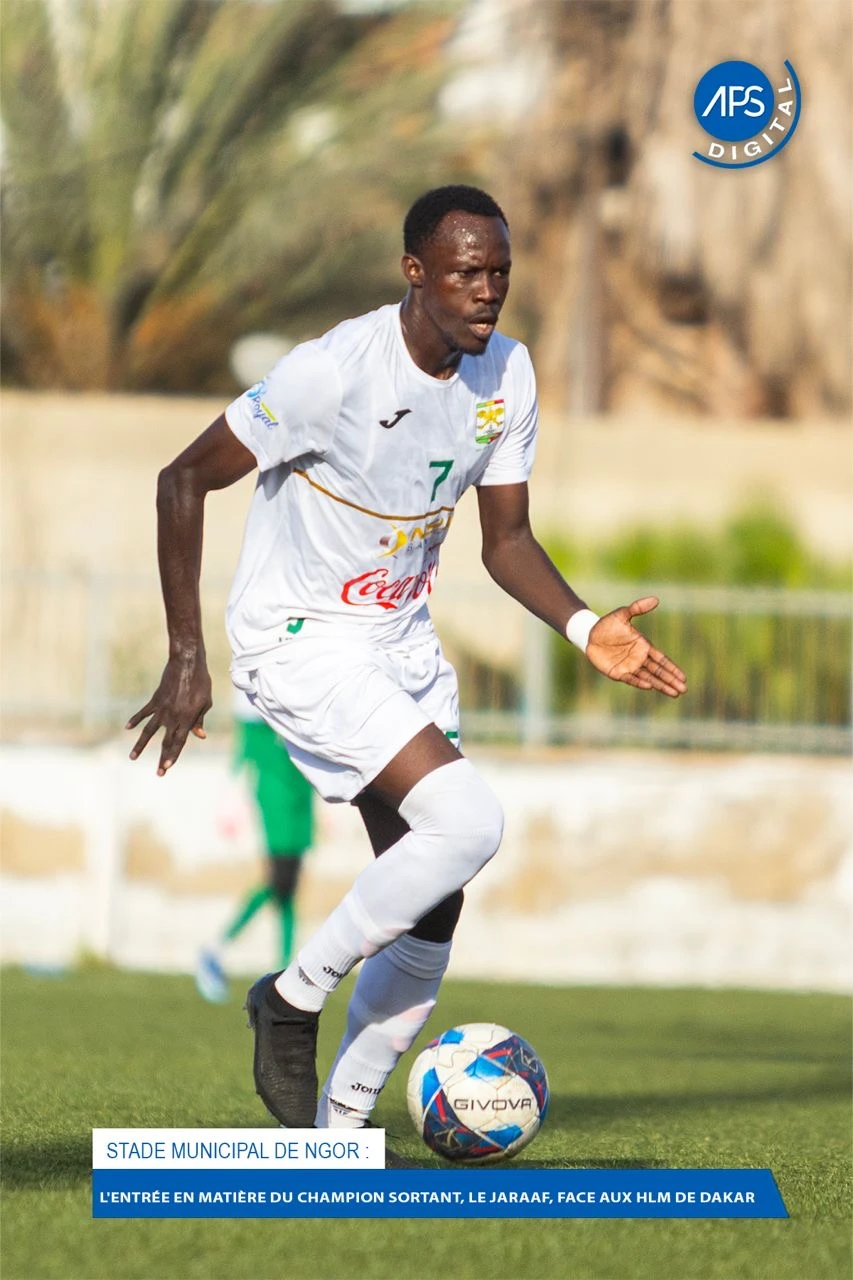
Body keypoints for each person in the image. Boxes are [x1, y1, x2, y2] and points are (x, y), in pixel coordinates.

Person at [127, 185, 687, 1158]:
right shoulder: (329, 374)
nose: (488, 292)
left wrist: (584, 624)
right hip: (299, 634)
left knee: (433, 892)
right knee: (470, 821)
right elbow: (183, 478)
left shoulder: (507, 373)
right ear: (415, 272)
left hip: (399, 644)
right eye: (467, 271)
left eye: (500, 273)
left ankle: (333, 1133)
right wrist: (186, 653)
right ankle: (291, 993)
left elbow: (504, 541)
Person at [195, 690, 314, 1004]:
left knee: (288, 887)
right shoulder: (260, 723)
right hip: (279, 797)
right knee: (279, 880)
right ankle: (216, 949)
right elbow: (246, 738)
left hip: (300, 794)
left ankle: (285, 969)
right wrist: (229, 796)